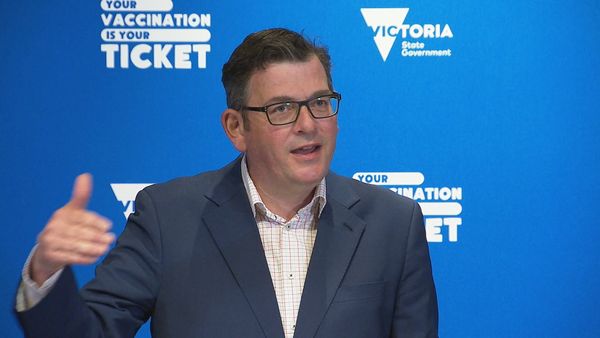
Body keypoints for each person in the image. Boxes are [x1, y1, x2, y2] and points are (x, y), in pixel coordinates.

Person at [15, 28, 438, 338]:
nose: (309, 125)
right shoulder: (167, 217)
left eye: (321, 103)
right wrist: (46, 271)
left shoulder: (393, 223)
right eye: (282, 109)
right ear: (236, 127)